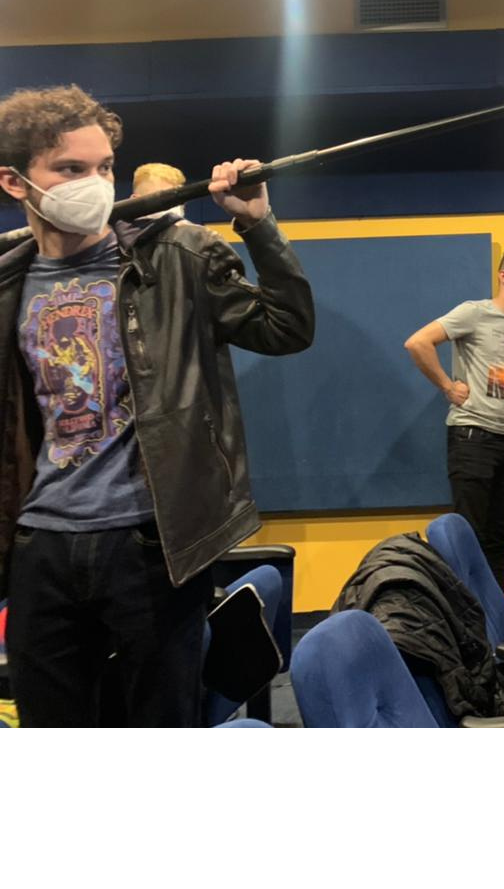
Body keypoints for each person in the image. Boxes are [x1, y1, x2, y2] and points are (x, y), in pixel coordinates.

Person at [0, 84, 314, 727]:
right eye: (70, 169)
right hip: (41, 546)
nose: (94, 184)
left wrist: (257, 224)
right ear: (13, 181)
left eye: (104, 167)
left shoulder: (176, 255)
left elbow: (286, 329)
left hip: (150, 541)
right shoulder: (8, 279)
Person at [404, 247, 504, 588]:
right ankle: (467, 613)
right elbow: (418, 343)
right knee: (468, 536)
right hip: (473, 437)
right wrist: (447, 386)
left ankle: (495, 612)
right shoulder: (474, 313)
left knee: (499, 537)